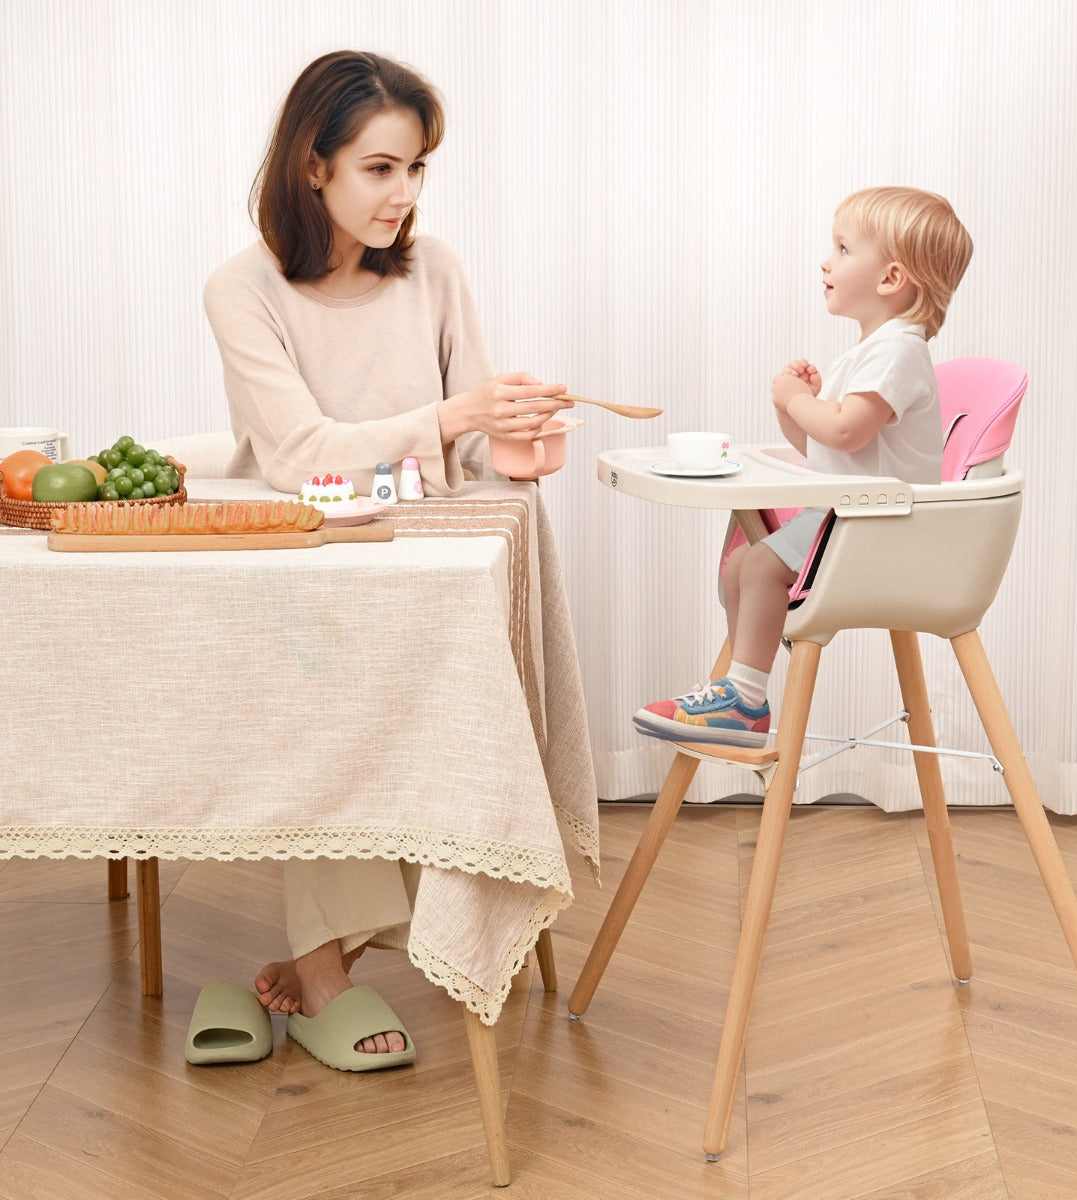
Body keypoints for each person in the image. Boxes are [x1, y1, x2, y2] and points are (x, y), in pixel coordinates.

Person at [203, 50, 574, 1068]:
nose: (403, 193)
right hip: (306, 576)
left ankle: (349, 939)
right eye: (379, 169)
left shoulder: (434, 269)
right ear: (312, 165)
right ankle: (322, 964)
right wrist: (454, 418)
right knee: (330, 701)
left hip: (423, 568)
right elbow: (296, 455)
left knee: (460, 703)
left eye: (415, 169)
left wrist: (519, 427)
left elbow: (473, 447)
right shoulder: (243, 289)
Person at [634, 186, 973, 749]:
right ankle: (739, 687)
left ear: (891, 278)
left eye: (843, 249)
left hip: (880, 529)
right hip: (853, 516)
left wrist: (797, 399)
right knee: (742, 564)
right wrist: (795, 407)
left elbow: (845, 430)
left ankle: (745, 699)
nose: (826, 262)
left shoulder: (898, 350)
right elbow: (825, 450)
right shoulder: (870, 352)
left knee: (763, 565)